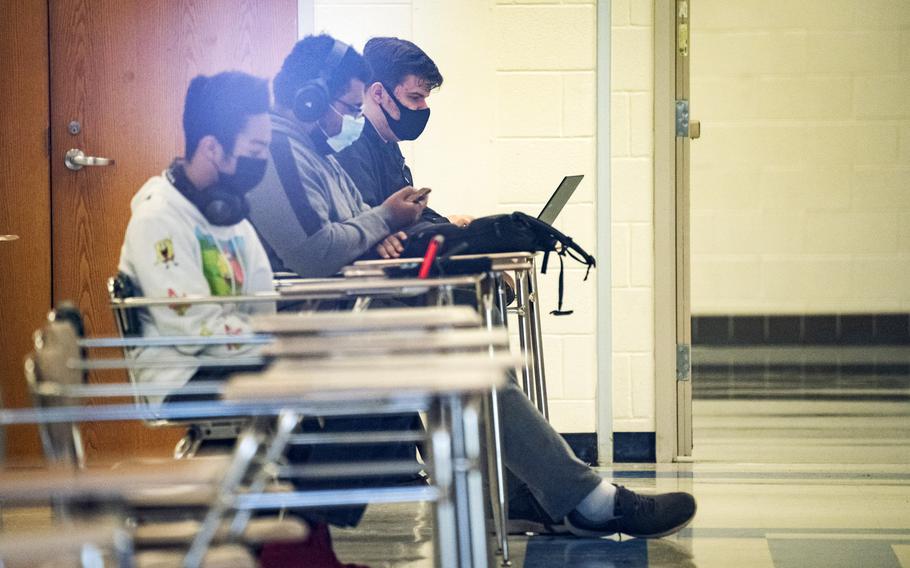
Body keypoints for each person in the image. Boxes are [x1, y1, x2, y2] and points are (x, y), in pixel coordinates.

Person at [249, 34, 698, 542]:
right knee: (461, 350)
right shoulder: (281, 151)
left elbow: (362, 227)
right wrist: (383, 221)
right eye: (343, 106)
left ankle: (548, 494)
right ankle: (569, 498)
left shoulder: (314, 153)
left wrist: (384, 227)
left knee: (464, 341)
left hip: (344, 316)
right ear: (309, 96)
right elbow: (318, 250)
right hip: (319, 329)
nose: (343, 120)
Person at [118, 71, 375, 568]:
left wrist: (287, 341)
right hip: (184, 375)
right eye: (256, 147)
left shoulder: (228, 212)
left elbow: (260, 300)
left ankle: (305, 541)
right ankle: (297, 546)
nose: (264, 159)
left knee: (358, 380)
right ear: (214, 148)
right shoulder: (159, 220)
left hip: (235, 359)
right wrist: (276, 348)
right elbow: (191, 326)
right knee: (325, 388)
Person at [246, 35, 427, 277]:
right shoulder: (277, 152)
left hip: (340, 300)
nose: (357, 119)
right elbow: (317, 255)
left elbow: (359, 214)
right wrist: (386, 219)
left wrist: (378, 230)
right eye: (352, 108)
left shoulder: (320, 153)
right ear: (312, 101)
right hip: (305, 308)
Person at [334, 36, 473, 254]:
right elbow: (375, 225)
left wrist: (447, 225)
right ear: (378, 93)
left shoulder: (386, 142)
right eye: (415, 97)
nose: (423, 107)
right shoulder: (351, 146)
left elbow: (408, 214)